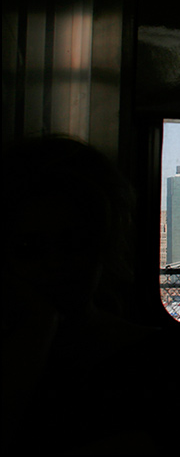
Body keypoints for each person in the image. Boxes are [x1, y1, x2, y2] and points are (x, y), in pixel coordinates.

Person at [2, 135, 163, 454]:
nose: (55, 265)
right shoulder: (152, 356)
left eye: (74, 244)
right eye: (29, 249)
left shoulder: (156, 362)